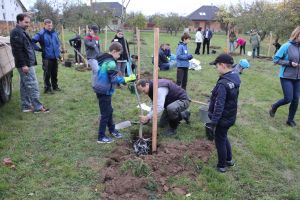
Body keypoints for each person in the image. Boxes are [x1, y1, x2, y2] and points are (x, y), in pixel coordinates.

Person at [91, 42, 136, 143]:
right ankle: (101, 137)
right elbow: (114, 80)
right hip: (104, 90)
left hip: (100, 88)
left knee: (109, 111)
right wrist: (128, 79)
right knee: (105, 114)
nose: (119, 56)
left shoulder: (104, 58)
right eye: (119, 54)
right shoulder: (111, 63)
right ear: (114, 51)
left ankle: (112, 130)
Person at [206, 53, 241, 173]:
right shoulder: (235, 77)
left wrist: (213, 123)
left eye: (216, 66)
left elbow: (219, 105)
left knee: (219, 141)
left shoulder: (222, 84)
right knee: (224, 137)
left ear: (222, 65)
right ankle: (229, 160)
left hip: (222, 119)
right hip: (230, 116)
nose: (216, 68)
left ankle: (221, 165)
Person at [10, 13, 49, 113]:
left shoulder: (22, 32)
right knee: (32, 84)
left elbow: (30, 45)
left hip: (28, 63)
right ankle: (38, 107)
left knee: (24, 85)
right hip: (25, 64)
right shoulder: (16, 32)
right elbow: (17, 51)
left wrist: (41, 50)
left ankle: (26, 106)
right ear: (19, 21)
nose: (28, 24)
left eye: (29, 22)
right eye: (26, 22)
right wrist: (23, 65)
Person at [269, 26, 300, 127]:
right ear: (297, 35)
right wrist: (290, 63)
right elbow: (276, 59)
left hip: (298, 77)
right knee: (288, 98)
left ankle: (290, 120)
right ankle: (274, 106)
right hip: (286, 76)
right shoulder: (286, 46)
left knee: (296, 99)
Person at [32, 19, 61, 94]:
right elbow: (32, 41)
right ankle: (47, 88)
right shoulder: (41, 34)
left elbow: (57, 44)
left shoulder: (54, 33)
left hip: (55, 57)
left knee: (54, 73)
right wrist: (39, 49)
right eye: (48, 26)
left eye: (51, 25)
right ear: (44, 25)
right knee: (47, 73)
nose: (50, 27)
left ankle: (55, 86)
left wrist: (59, 54)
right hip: (47, 57)